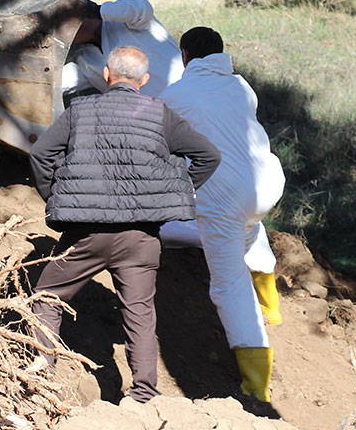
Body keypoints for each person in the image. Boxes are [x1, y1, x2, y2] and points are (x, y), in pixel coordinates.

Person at [29, 45, 220, 403]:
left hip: (86, 233)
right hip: (141, 237)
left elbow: (42, 153)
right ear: (144, 81)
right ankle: (143, 395)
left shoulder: (79, 111)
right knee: (140, 314)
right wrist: (175, 190)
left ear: (106, 74)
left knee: (47, 298)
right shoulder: (160, 114)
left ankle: (43, 381)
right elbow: (209, 155)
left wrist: (55, 194)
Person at [158, 27, 285, 402]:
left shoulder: (176, 95)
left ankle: (256, 384)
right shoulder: (242, 88)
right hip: (267, 183)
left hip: (225, 194)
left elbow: (159, 139)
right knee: (249, 229)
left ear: (184, 57)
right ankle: (272, 306)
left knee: (228, 284)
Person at [63, 0, 183, 98]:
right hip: (153, 119)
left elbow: (141, 7)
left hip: (187, 97)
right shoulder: (86, 59)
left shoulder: (130, 22)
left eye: (69, 24)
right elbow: (61, 81)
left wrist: (97, 10)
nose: (67, 32)